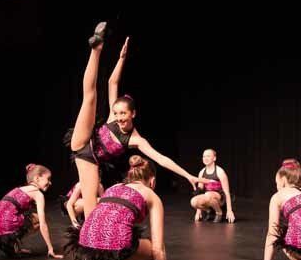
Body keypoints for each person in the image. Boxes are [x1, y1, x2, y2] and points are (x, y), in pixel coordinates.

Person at [65, 24, 203, 217]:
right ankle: (96, 49)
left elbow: (161, 159)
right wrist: (121, 59)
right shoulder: (113, 116)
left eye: (123, 114)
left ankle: (92, 241)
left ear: (133, 114)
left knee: (90, 212)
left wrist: (188, 175)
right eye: (117, 113)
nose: (119, 118)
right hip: (83, 139)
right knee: (90, 97)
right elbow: (112, 82)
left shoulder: (135, 140)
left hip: (89, 160)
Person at [64, 156, 180, 260]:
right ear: (152, 181)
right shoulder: (151, 195)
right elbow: (158, 249)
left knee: (116, 245)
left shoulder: (114, 187)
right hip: (113, 238)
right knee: (153, 253)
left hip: (86, 237)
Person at [0, 164, 63, 259]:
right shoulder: (37, 194)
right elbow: (43, 224)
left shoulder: (19, 189)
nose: (50, 183)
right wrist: (50, 248)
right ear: (37, 178)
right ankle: (13, 245)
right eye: (48, 179)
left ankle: (13, 247)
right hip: (6, 222)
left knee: (26, 217)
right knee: (39, 219)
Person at [190, 149, 235, 223]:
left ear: (214, 158)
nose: (205, 158)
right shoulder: (201, 172)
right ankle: (209, 211)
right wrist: (198, 212)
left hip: (220, 199)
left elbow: (227, 192)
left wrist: (229, 210)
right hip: (208, 197)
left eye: (208, 156)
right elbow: (200, 190)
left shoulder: (220, 172)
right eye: (204, 156)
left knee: (208, 194)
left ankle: (219, 212)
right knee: (193, 202)